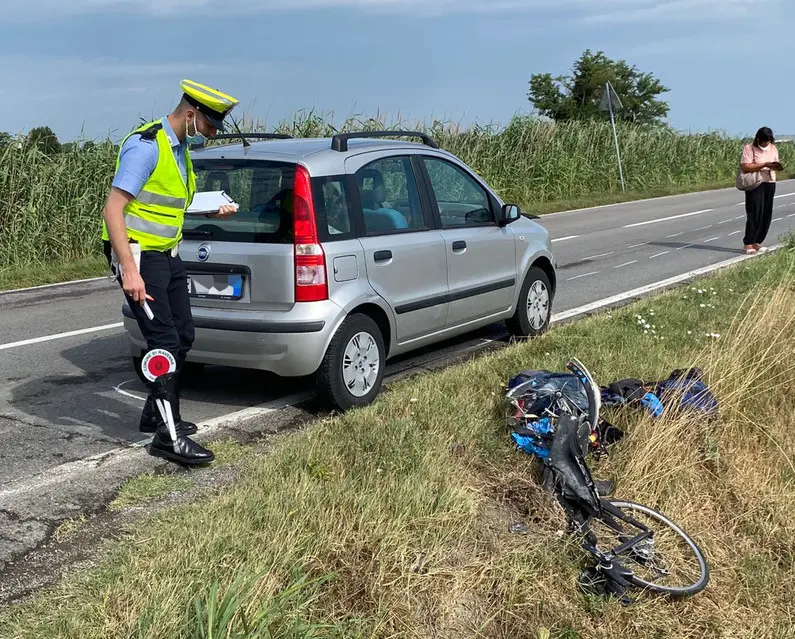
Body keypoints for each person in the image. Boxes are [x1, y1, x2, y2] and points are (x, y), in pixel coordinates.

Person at [100, 79, 240, 465]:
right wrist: (129, 272)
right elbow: (113, 210)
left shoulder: (179, 151)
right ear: (191, 115)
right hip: (139, 256)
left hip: (167, 254)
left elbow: (168, 204)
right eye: (210, 128)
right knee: (163, 341)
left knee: (183, 334)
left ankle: (153, 412)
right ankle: (168, 436)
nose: (210, 136)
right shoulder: (146, 146)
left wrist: (210, 209)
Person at [740, 127, 782, 255]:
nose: (765, 144)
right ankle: (748, 243)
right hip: (755, 183)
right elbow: (746, 166)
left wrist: (775, 166)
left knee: (766, 213)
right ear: (758, 139)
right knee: (754, 212)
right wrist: (764, 164)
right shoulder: (749, 148)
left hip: (769, 182)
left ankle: (757, 242)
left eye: (768, 141)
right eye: (764, 141)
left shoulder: (773, 148)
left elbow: (776, 162)